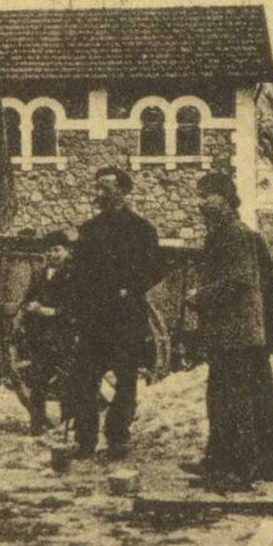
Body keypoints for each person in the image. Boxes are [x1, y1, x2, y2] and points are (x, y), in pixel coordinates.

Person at [186, 173, 273, 491]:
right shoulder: (222, 234)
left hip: (237, 331)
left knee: (236, 399)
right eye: (200, 196)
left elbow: (239, 280)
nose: (201, 203)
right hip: (232, 331)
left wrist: (199, 296)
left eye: (208, 196)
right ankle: (222, 461)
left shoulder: (234, 234)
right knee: (225, 396)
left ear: (227, 200)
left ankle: (241, 468)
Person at [61, 167, 165, 461]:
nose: (98, 194)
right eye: (96, 188)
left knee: (126, 380)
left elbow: (154, 269)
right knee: (84, 379)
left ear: (123, 191)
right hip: (94, 318)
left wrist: (129, 288)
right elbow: (77, 273)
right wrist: (76, 308)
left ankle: (118, 440)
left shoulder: (143, 230)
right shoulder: (89, 230)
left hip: (126, 317)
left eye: (104, 188)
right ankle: (84, 441)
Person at [14, 234, 77, 434]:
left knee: (66, 382)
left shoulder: (74, 275)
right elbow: (29, 297)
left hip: (63, 336)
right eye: (49, 250)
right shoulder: (40, 273)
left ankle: (66, 425)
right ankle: (37, 424)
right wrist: (28, 307)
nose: (52, 254)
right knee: (37, 380)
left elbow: (78, 306)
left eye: (57, 249)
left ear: (68, 251)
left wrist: (53, 312)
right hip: (40, 336)